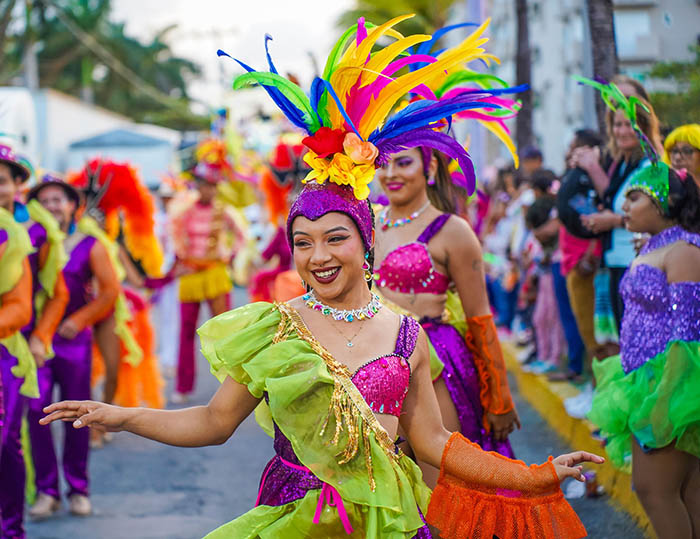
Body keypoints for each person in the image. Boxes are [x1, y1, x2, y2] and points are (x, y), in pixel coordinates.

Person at [40, 15, 604, 539]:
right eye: (302, 243)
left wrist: (536, 474)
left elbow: (435, 442)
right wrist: (122, 414)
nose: (318, 256)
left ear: (368, 243)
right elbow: (214, 422)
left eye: (336, 238)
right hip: (298, 518)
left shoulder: (408, 335)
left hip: (387, 517)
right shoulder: (276, 327)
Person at [373, 148, 519, 486]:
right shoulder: (364, 223)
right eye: (384, 164)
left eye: (404, 162)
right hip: (374, 361)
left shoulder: (453, 230)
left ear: (430, 166)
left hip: (435, 362)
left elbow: (479, 316)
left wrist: (499, 398)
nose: (391, 173)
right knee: (386, 490)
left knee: (440, 491)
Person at [588, 162, 700, 539]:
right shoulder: (660, 246)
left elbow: (688, 336)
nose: (625, 208)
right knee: (685, 492)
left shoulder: (684, 251)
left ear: (663, 202)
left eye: (634, 198)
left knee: (655, 490)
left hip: (671, 385)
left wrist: (665, 399)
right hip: (643, 380)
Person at [25, 176, 120, 519]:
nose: (52, 206)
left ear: (71, 205)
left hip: (72, 343)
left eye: (58, 200)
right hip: (36, 342)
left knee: (78, 417)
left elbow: (109, 292)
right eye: (45, 201)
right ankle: (47, 492)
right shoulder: (30, 241)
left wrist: (79, 321)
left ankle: (78, 489)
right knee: (38, 413)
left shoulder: (89, 244)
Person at [0, 149, 70, 538]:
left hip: (14, 346)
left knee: (17, 434)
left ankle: (23, 515)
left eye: (2, 180)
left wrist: (42, 336)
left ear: (16, 185)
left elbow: (56, 293)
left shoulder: (36, 230)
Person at [571, 78, 663, 331]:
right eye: (618, 124)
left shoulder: (651, 165)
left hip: (638, 264)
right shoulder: (621, 163)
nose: (623, 130)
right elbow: (619, 202)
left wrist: (612, 220)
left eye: (630, 124)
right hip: (615, 261)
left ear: (644, 126)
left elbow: (659, 217)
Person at [169, 143, 245, 403]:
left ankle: (234, 389)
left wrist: (230, 256)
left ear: (216, 187)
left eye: (210, 185)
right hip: (191, 276)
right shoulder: (184, 212)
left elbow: (242, 236)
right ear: (196, 186)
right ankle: (183, 387)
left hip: (214, 273)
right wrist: (181, 256)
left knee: (225, 332)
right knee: (186, 333)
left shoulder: (225, 211)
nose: (206, 189)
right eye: (201, 184)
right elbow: (173, 236)